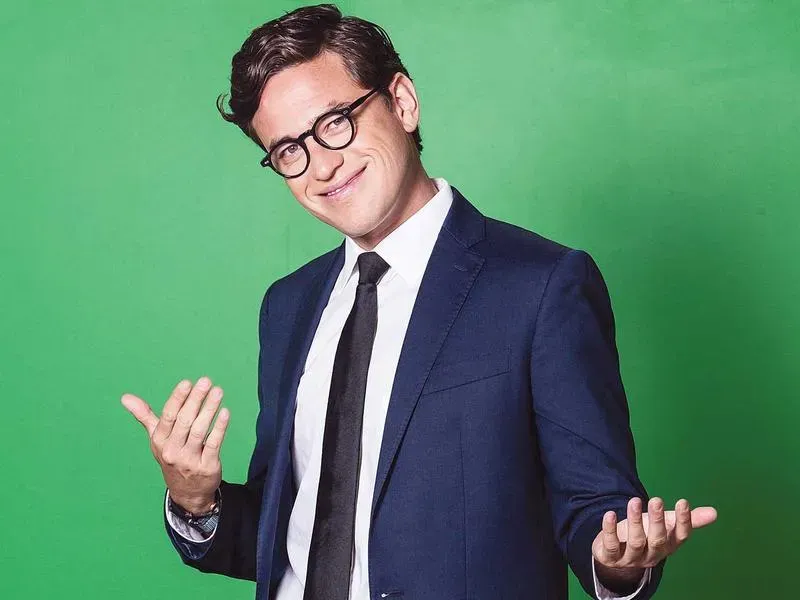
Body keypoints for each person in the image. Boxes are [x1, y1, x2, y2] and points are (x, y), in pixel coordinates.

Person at [120, 4, 717, 599]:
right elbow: (292, 532)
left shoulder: (541, 286)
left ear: (402, 102)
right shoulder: (288, 306)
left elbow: (598, 511)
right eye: (289, 150)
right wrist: (196, 501)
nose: (322, 165)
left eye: (334, 123)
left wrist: (617, 561)